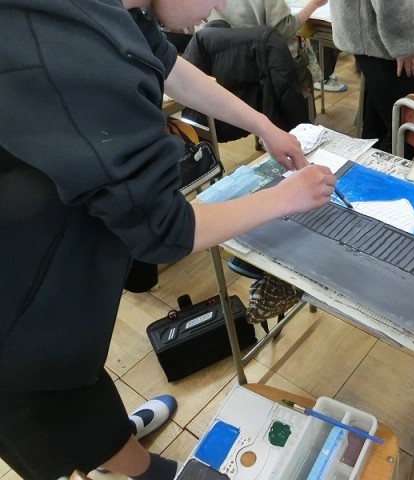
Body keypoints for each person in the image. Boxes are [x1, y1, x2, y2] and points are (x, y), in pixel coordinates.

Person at [0, 1, 336, 479]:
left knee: (79, 375)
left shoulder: (119, 11)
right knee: (45, 396)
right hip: (15, 295)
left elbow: (171, 68)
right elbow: (166, 230)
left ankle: (113, 443)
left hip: (45, 234)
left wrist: (264, 125)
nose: (219, 6)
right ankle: (137, 470)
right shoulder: (77, 54)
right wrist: (286, 197)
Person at [329, 0, 414, 158]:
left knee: (377, 128)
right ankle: (378, 172)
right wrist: (404, 43)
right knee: (408, 132)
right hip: (384, 43)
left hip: (375, 37)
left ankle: (367, 170)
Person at [208, 0, 347, 92]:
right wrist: (314, 4)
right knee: (305, 62)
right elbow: (284, 29)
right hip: (272, 67)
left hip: (228, 67)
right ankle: (302, 119)